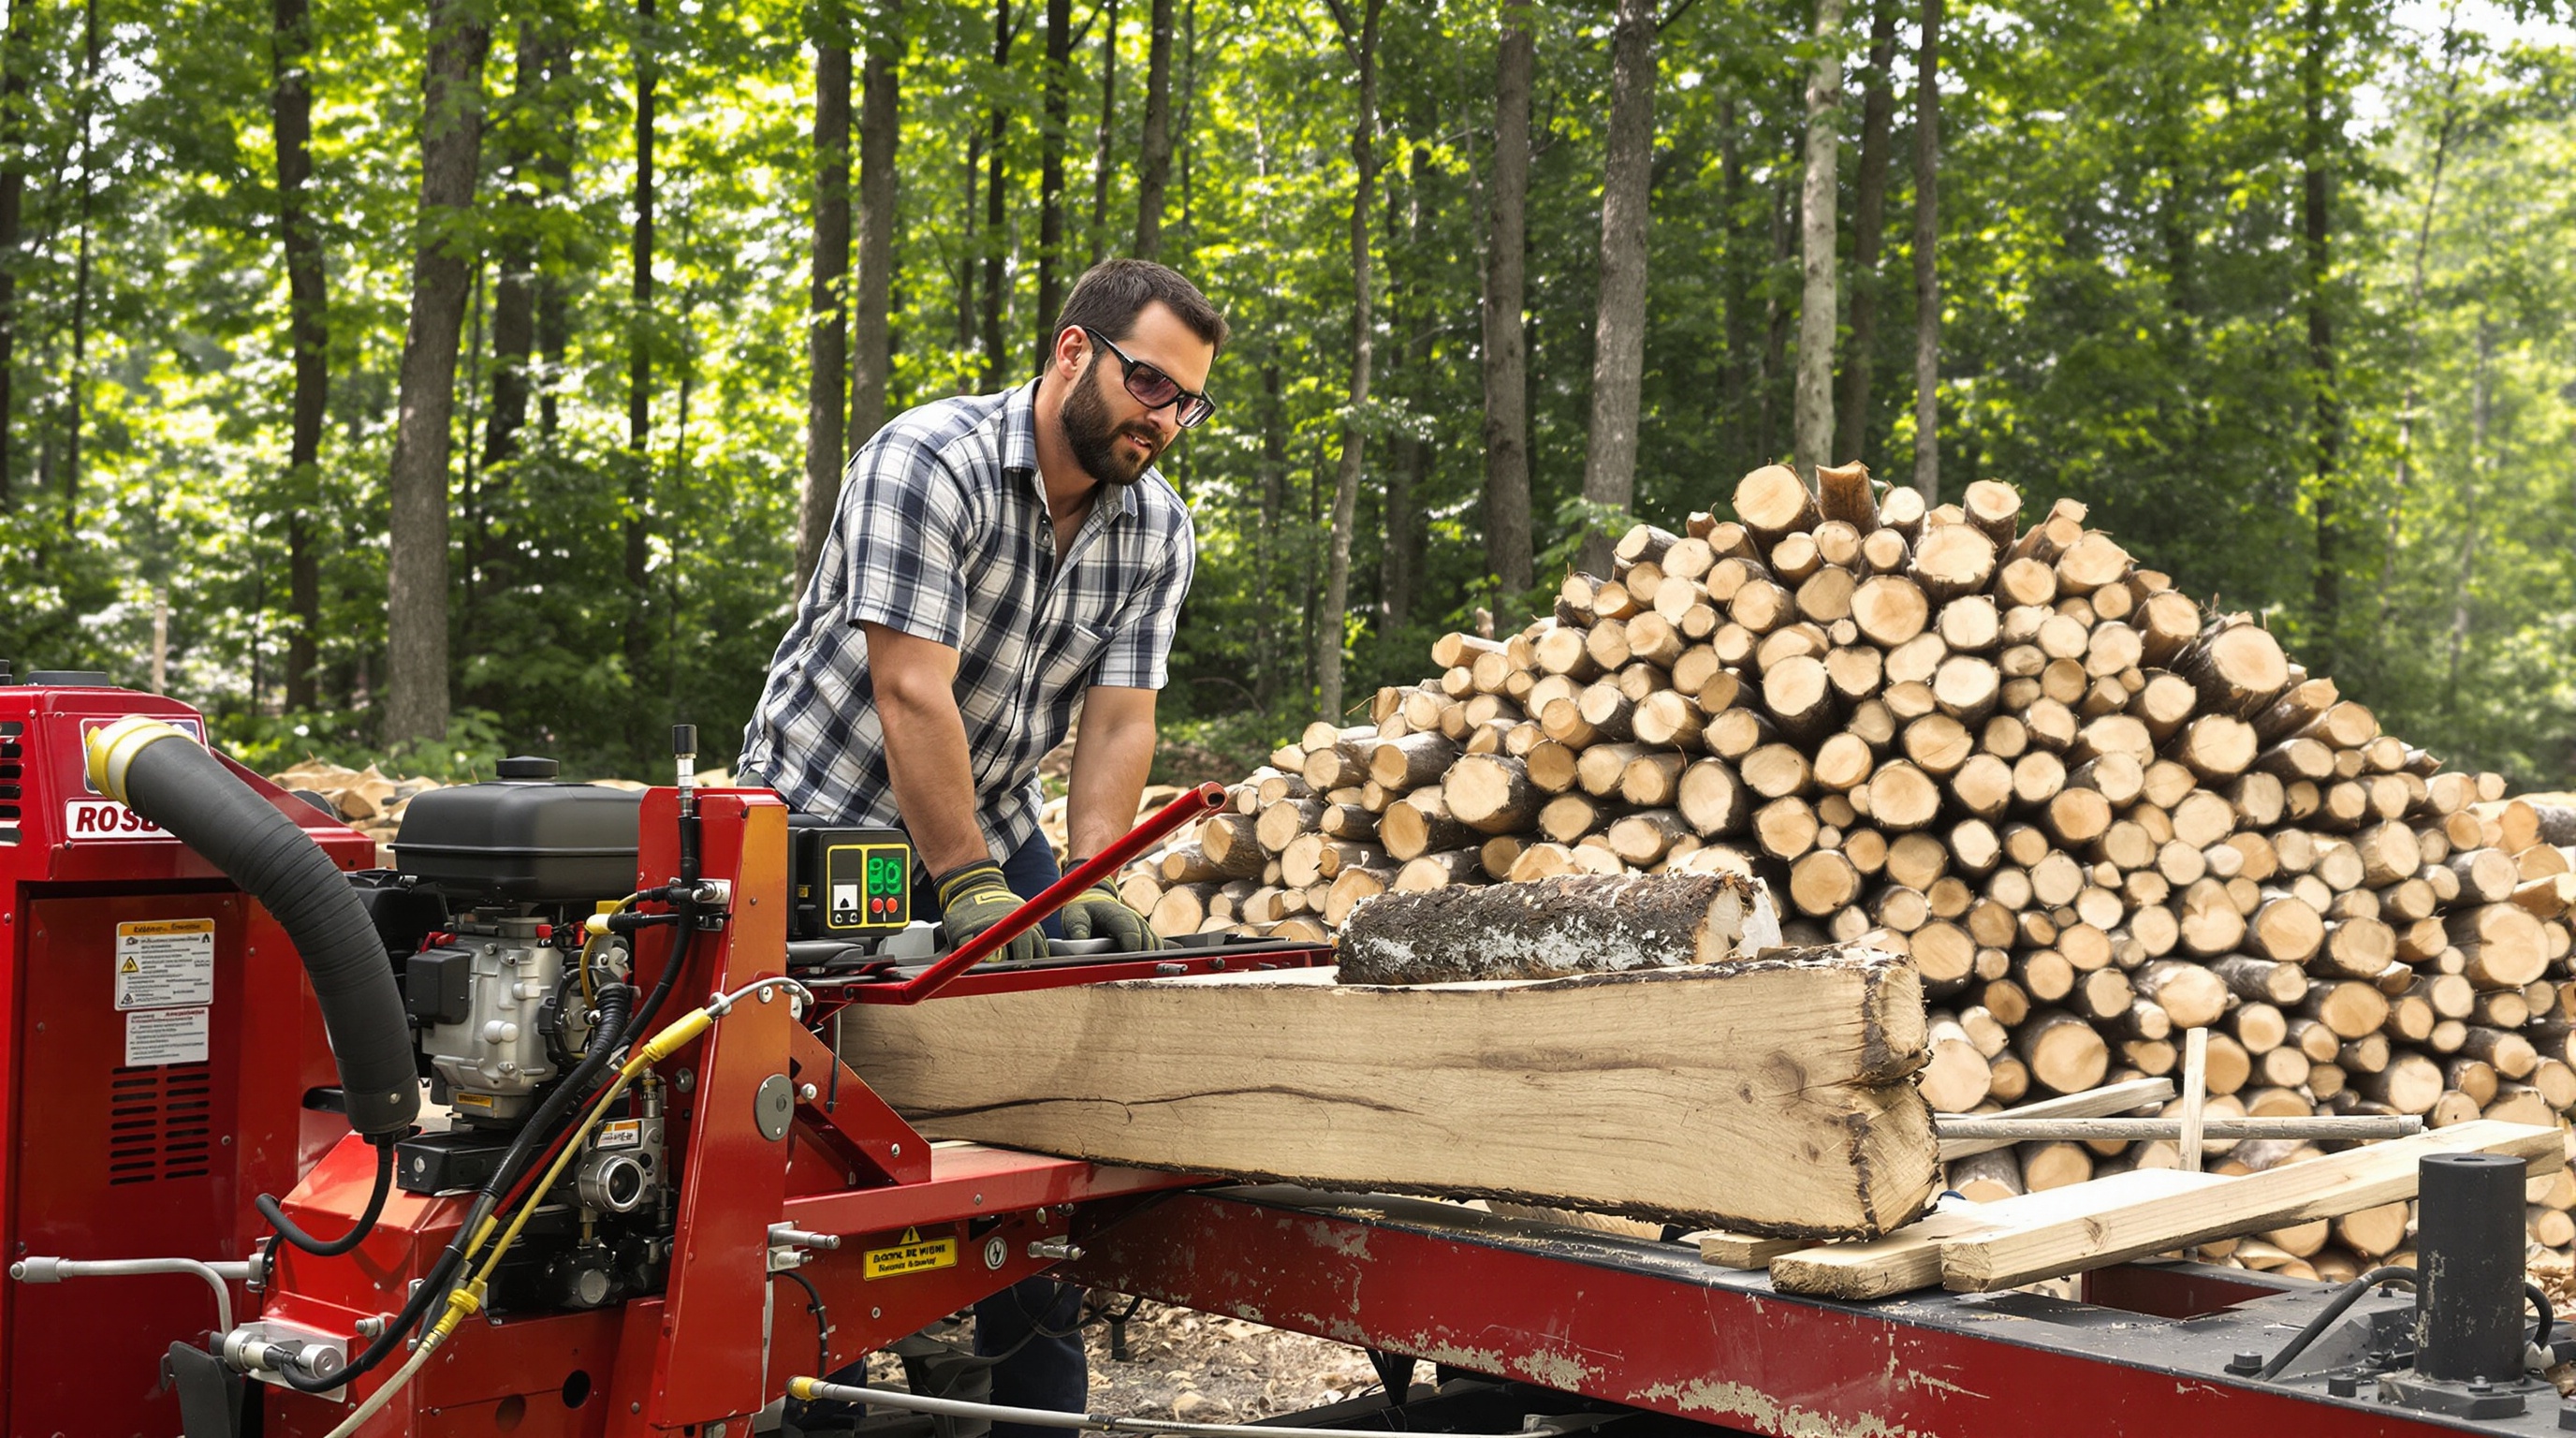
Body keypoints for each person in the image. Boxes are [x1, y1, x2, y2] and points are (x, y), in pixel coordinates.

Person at [739, 258, 1226, 1436]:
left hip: (992, 813)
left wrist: (1089, 877)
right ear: (1073, 352)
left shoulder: (1156, 528)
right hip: (823, 823)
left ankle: (1026, 1402)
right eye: (1148, 384)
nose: (1163, 420)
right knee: (817, 1144)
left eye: (1186, 403)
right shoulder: (928, 460)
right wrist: (962, 885)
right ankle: (822, 1402)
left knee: (1042, 1113)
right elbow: (910, 690)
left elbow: (1120, 719)